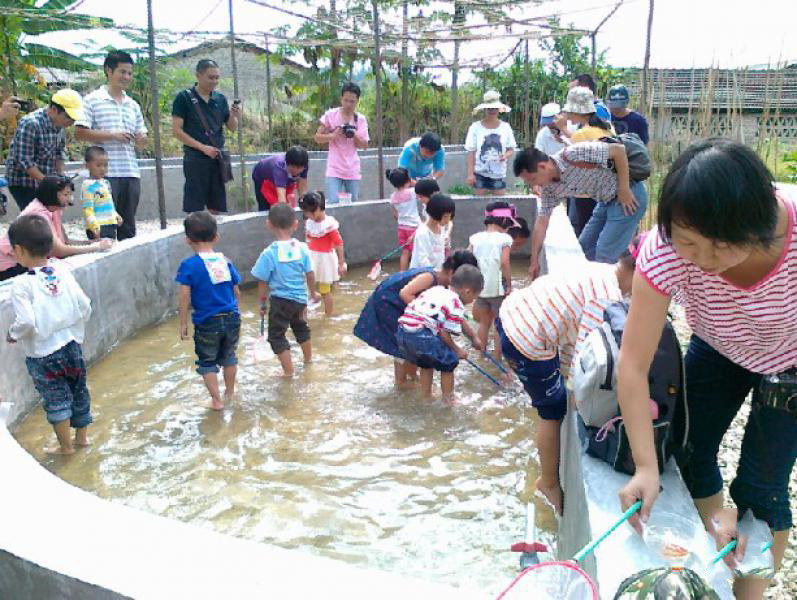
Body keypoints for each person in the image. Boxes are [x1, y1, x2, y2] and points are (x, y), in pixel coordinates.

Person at [615, 140, 797, 599]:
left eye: (719, 248)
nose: (702, 261)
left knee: (763, 487)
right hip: (718, 344)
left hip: (792, 360)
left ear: (756, 228)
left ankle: (750, 592)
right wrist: (644, 466)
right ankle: (715, 537)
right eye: (690, 245)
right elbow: (633, 366)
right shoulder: (667, 249)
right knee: (688, 449)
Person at [497, 236, 641, 514]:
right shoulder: (606, 298)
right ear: (640, 274)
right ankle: (548, 481)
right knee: (552, 412)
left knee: (558, 397)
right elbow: (586, 358)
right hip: (525, 340)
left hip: (513, 314)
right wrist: (578, 397)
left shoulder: (602, 270)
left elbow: (571, 333)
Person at [5, 214, 93, 455]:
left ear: (19, 250)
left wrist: (13, 335)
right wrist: (73, 327)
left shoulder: (21, 285)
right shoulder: (63, 272)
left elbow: (26, 322)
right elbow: (85, 306)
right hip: (72, 346)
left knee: (56, 399)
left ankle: (65, 448)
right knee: (78, 391)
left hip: (43, 354)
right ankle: (82, 439)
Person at [513, 142, 646, 277]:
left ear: (543, 166)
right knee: (584, 250)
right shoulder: (549, 188)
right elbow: (541, 222)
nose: (534, 184)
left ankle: (621, 290)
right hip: (605, 201)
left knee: (605, 254)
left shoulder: (574, 154)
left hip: (628, 196)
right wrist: (534, 260)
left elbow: (619, 150)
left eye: (533, 179)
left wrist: (624, 189)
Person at [354, 249, 479, 387]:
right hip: (388, 302)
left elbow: (452, 315)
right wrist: (425, 316)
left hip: (407, 307)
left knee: (412, 343)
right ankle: (401, 384)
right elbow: (405, 293)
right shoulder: (430, 277)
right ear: (452, 273)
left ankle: (412, 380)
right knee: (401, 346)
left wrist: (473, 337)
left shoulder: (446, 288)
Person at [75, 51, 147, 241]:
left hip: (130, 172)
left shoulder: (133, 105)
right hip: (103, 175)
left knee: (128, 227)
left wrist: (140, 139)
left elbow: (142, 138)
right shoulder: (92, 100)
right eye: (122, 72)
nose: (126, 77)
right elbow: (80, 133)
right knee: (102, 227)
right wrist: (112, 135)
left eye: (130, 73)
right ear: (108, 70)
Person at [176, 212, 241, 411]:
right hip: (231, 316)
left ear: (188, 240)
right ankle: (230, 392)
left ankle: (216, 400)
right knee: (229, 355)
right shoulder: (225, 261)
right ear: (216, 237)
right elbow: (236, 290)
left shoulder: (188, 266)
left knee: (207, 361)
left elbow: (184, 296)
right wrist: (237, 312)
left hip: (207, 321)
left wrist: (183, 323)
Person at [251, 204, 321, 377]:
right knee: (301, 328)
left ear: (269, 224)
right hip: (300, 299)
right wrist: (312, 294)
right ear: (295, 224)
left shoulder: (269, 254)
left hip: (280, 301)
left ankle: (288, 371)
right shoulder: (303, 248)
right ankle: (308, 360)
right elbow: (310, 274)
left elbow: (263, 282)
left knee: (276, 336)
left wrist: (262, 303)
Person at [0, 175, 112, 281]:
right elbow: (59, 250)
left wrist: (91, 242)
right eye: (66, 195)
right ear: (52, 194)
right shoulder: (39, 214)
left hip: (26, 261)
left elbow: (65, 241)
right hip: (11, 265)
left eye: (70, 194)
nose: (70, 199)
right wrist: (96, 247)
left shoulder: (54, 209)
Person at [397, 264, 484, 400]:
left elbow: (456, 323)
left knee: (425, 362)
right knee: (449, 361)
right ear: (468, 291)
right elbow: (443, 332)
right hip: (422, 334)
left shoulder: (437, 290)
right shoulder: (456, 303)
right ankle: (448, 400)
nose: (472, 301)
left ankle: (426, 397)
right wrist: (457, 350)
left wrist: (473, 338)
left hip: (402, 331)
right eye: (474, 298)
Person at [172, 59, 241, 214]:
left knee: (216, 206)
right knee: (194, 206)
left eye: (217, 78)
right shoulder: (184, 98)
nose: (214, 81)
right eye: (211, 77)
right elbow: (176, 131)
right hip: (195, 159)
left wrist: (234, 115)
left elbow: (231, 128)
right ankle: (195, 235)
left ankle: (212, 234)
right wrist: (203, 148)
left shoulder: (220, 99)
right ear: (198, 75)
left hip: (217, 159)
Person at [5, 89, 83, 211]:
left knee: (52, 215)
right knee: (36, 217)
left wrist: (61, 178)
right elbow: (25, 161)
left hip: (46, 181)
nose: (71, 122)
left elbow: (59, 153)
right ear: (54, 109)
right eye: (68, 117)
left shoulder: (60, 125)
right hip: (23, 182)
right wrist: (50, 183)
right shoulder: (31, 124)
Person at [557, 86, 616, 237]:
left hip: (585, 193)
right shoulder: (608, 128)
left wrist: (563, 129)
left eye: (569, 112)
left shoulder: (581, 134)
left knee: (583, 234)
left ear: (577, 111)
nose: (568, 116)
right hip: (606, 191)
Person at [469, 202, 516, 360]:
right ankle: (497, 357)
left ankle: (480, 355)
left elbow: (468, 260)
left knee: (484, 322)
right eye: (508, 224)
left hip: (479, 288)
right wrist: (509, 285)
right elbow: (505, 262)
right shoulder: (505, 239)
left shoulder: (475, 238)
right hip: (497, 289)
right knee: (498, 325)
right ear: (503, 221)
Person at [314, 82, 369, 204]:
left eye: (352, 101)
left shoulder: (360, 119)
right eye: (346, 100)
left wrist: (354, 134)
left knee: (353, 204)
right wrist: (333, 135)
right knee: (333, 202)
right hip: (334, 168)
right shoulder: (330, 115)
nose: (348, 104)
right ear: (341, 99)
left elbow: (364, 146)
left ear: (357, 101)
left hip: (352, 169)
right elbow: (317, 137)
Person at [299, 191, 346, 317]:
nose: (308, 215)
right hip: (311, 257)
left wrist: (341, 264)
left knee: (325, 290)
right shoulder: (309, 223)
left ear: (319, 208)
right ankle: (303, 317)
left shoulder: (329, 225)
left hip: (325, 260)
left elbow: (339, 244)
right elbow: (307, 241)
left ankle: (328, 316)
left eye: (310, 212)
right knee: (306, 288)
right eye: (306, 213)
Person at [465, 90, 517, 196]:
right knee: (478, 204)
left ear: (498, 109)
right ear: (485, 109)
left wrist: (504, 156)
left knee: (500, 206)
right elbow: (471, 152)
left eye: (494, 108)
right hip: (479, 172)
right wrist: (470, 174)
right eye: (489, 108)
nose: (492, 111)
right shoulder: (475, 127)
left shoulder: (505, 127)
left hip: (498, 173)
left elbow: (511, 149)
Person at [81, 146, 122, 240]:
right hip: (98, 226)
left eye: (105, 165)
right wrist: (93, 225)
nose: (102, 169)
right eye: (98, 165)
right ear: (87, 165)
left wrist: (115, 215)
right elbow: (88, 208)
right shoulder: (88, 185)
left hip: (110, 223)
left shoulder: (106, 183)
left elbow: (109, 203)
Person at [252, 146, 309, 211]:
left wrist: (304, 204)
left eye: (299, 168)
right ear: (287, 163)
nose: (296, 170)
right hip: (263, 178)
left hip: (284, 181)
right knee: (267, 207)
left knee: (289, 203)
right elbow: (281, 198)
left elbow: (302, 185)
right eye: (293, 167)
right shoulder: (280, 166)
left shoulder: (304, 165)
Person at [386, 167, 421, 271]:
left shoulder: (393, 196)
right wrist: (413, 181)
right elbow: (421, 186)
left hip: (402, 227)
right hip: (414, 227)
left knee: (405, 252)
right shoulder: (412, 192)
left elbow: (395, 215)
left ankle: (402, 273)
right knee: (417, 252)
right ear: (407, 180)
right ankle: (417, 272)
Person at [410, 193, 455, 270]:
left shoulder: (441, 228)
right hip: (421, 274)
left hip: (436, 273)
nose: (447, 220)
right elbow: (423, 260)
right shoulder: (423, 233)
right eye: (445, 216)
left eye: (449, 216)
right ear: (435, 213)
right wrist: (436, 274)